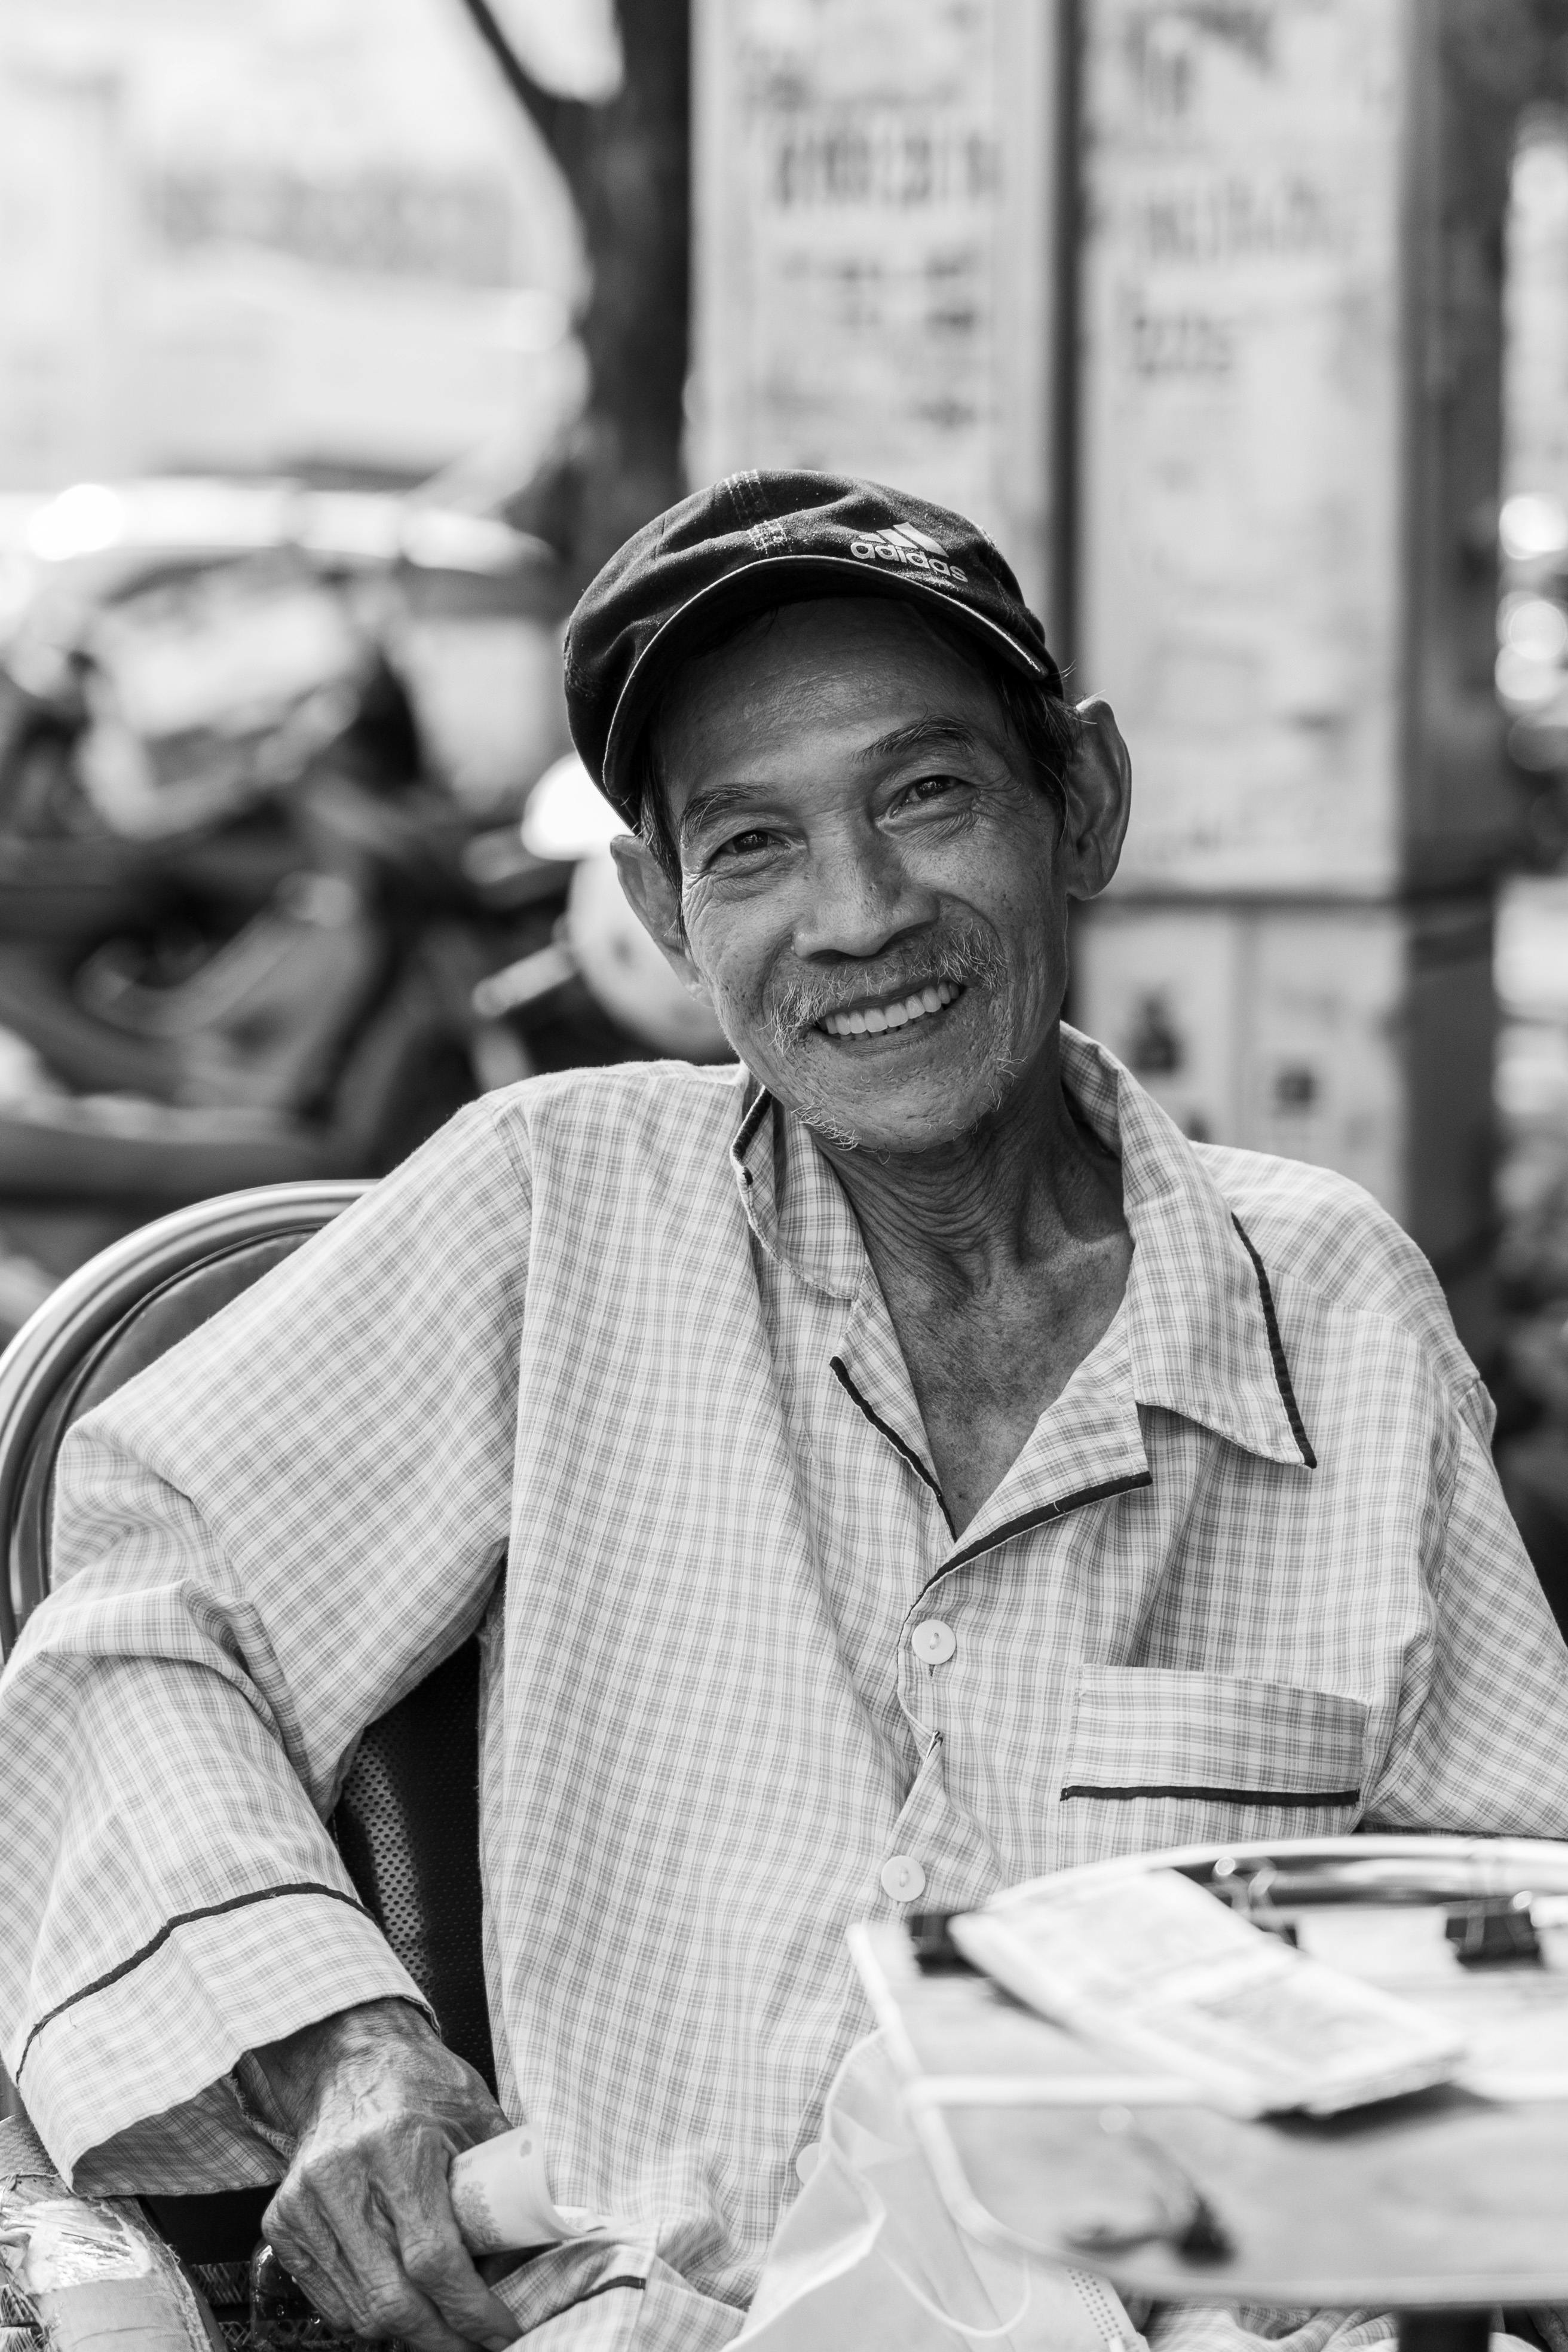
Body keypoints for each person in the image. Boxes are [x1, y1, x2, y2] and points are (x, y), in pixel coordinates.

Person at [2, 471, 1567, 2352]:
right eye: (750, 847)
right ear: (663, 906)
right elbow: (139, 1603)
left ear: (1082, 801)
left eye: (927, 795)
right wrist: (341, 2046)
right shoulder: (553, 1207)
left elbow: (1508, 1944)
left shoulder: (1331, 1299)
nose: (859, 915)